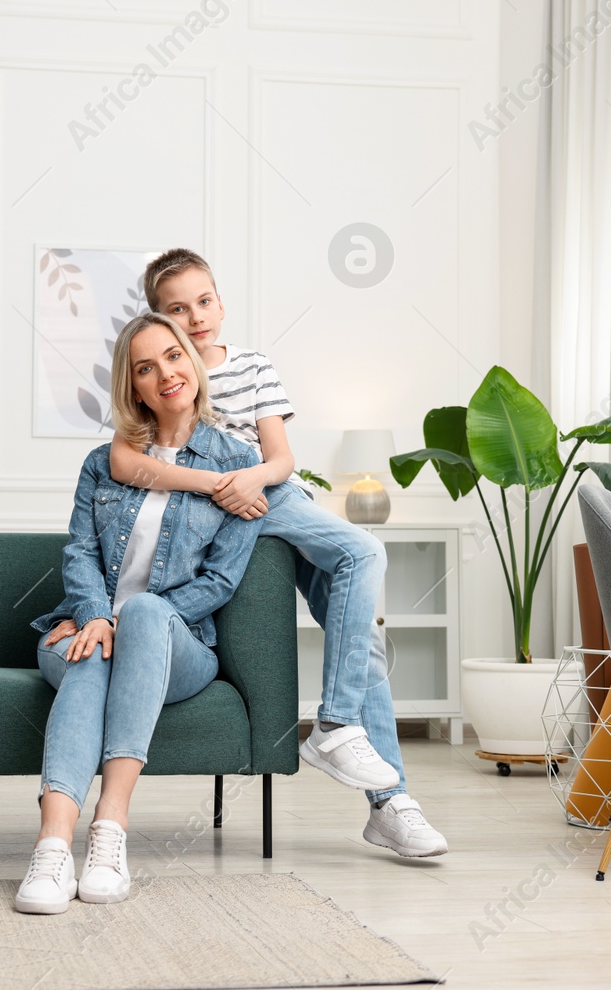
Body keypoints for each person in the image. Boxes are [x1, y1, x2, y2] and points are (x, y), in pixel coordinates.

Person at [107, 249, 448, 859]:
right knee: (361, 593)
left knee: (361, 588)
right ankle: (368, 768)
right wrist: (219, 486)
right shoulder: (170, 379)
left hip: (271, 494)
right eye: (177, 309)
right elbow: (131, 462)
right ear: (158, 320)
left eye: (205, 301)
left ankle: (378, 784)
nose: (196, 317)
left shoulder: (253, 367)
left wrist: (251, 481)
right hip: (220, 509)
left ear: (222, 301)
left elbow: (281, 458)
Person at [15, 312, 265, 915]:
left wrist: (126, 621)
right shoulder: (105, 462)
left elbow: (220, 580)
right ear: (133, 386)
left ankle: (108, 832)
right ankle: (53, 849)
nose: (166, 375)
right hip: (82, 626)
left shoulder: (237, 461)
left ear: (193, 359)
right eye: (145, 368)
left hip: (177, 643)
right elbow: (78, 551)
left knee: (148, 614)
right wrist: (96, 614)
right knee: (90, 661)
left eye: (174, 357)